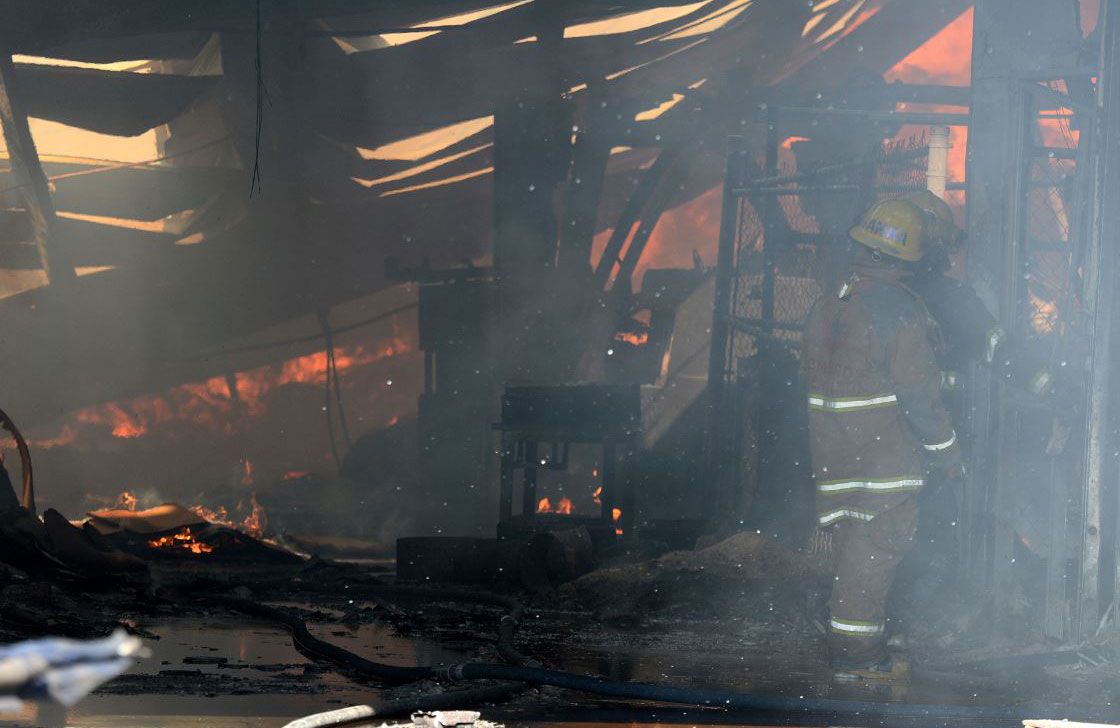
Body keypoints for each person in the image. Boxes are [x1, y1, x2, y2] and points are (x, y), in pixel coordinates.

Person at [802, 198, 961, 680]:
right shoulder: (895, 308)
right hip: (882, 455)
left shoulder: (834, 299)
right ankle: (856, 657)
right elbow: (917, 393)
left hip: (834, 449)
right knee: (876, 548)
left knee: (854, 543)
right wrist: (949, 452)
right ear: (906, 257)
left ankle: (853, 631)